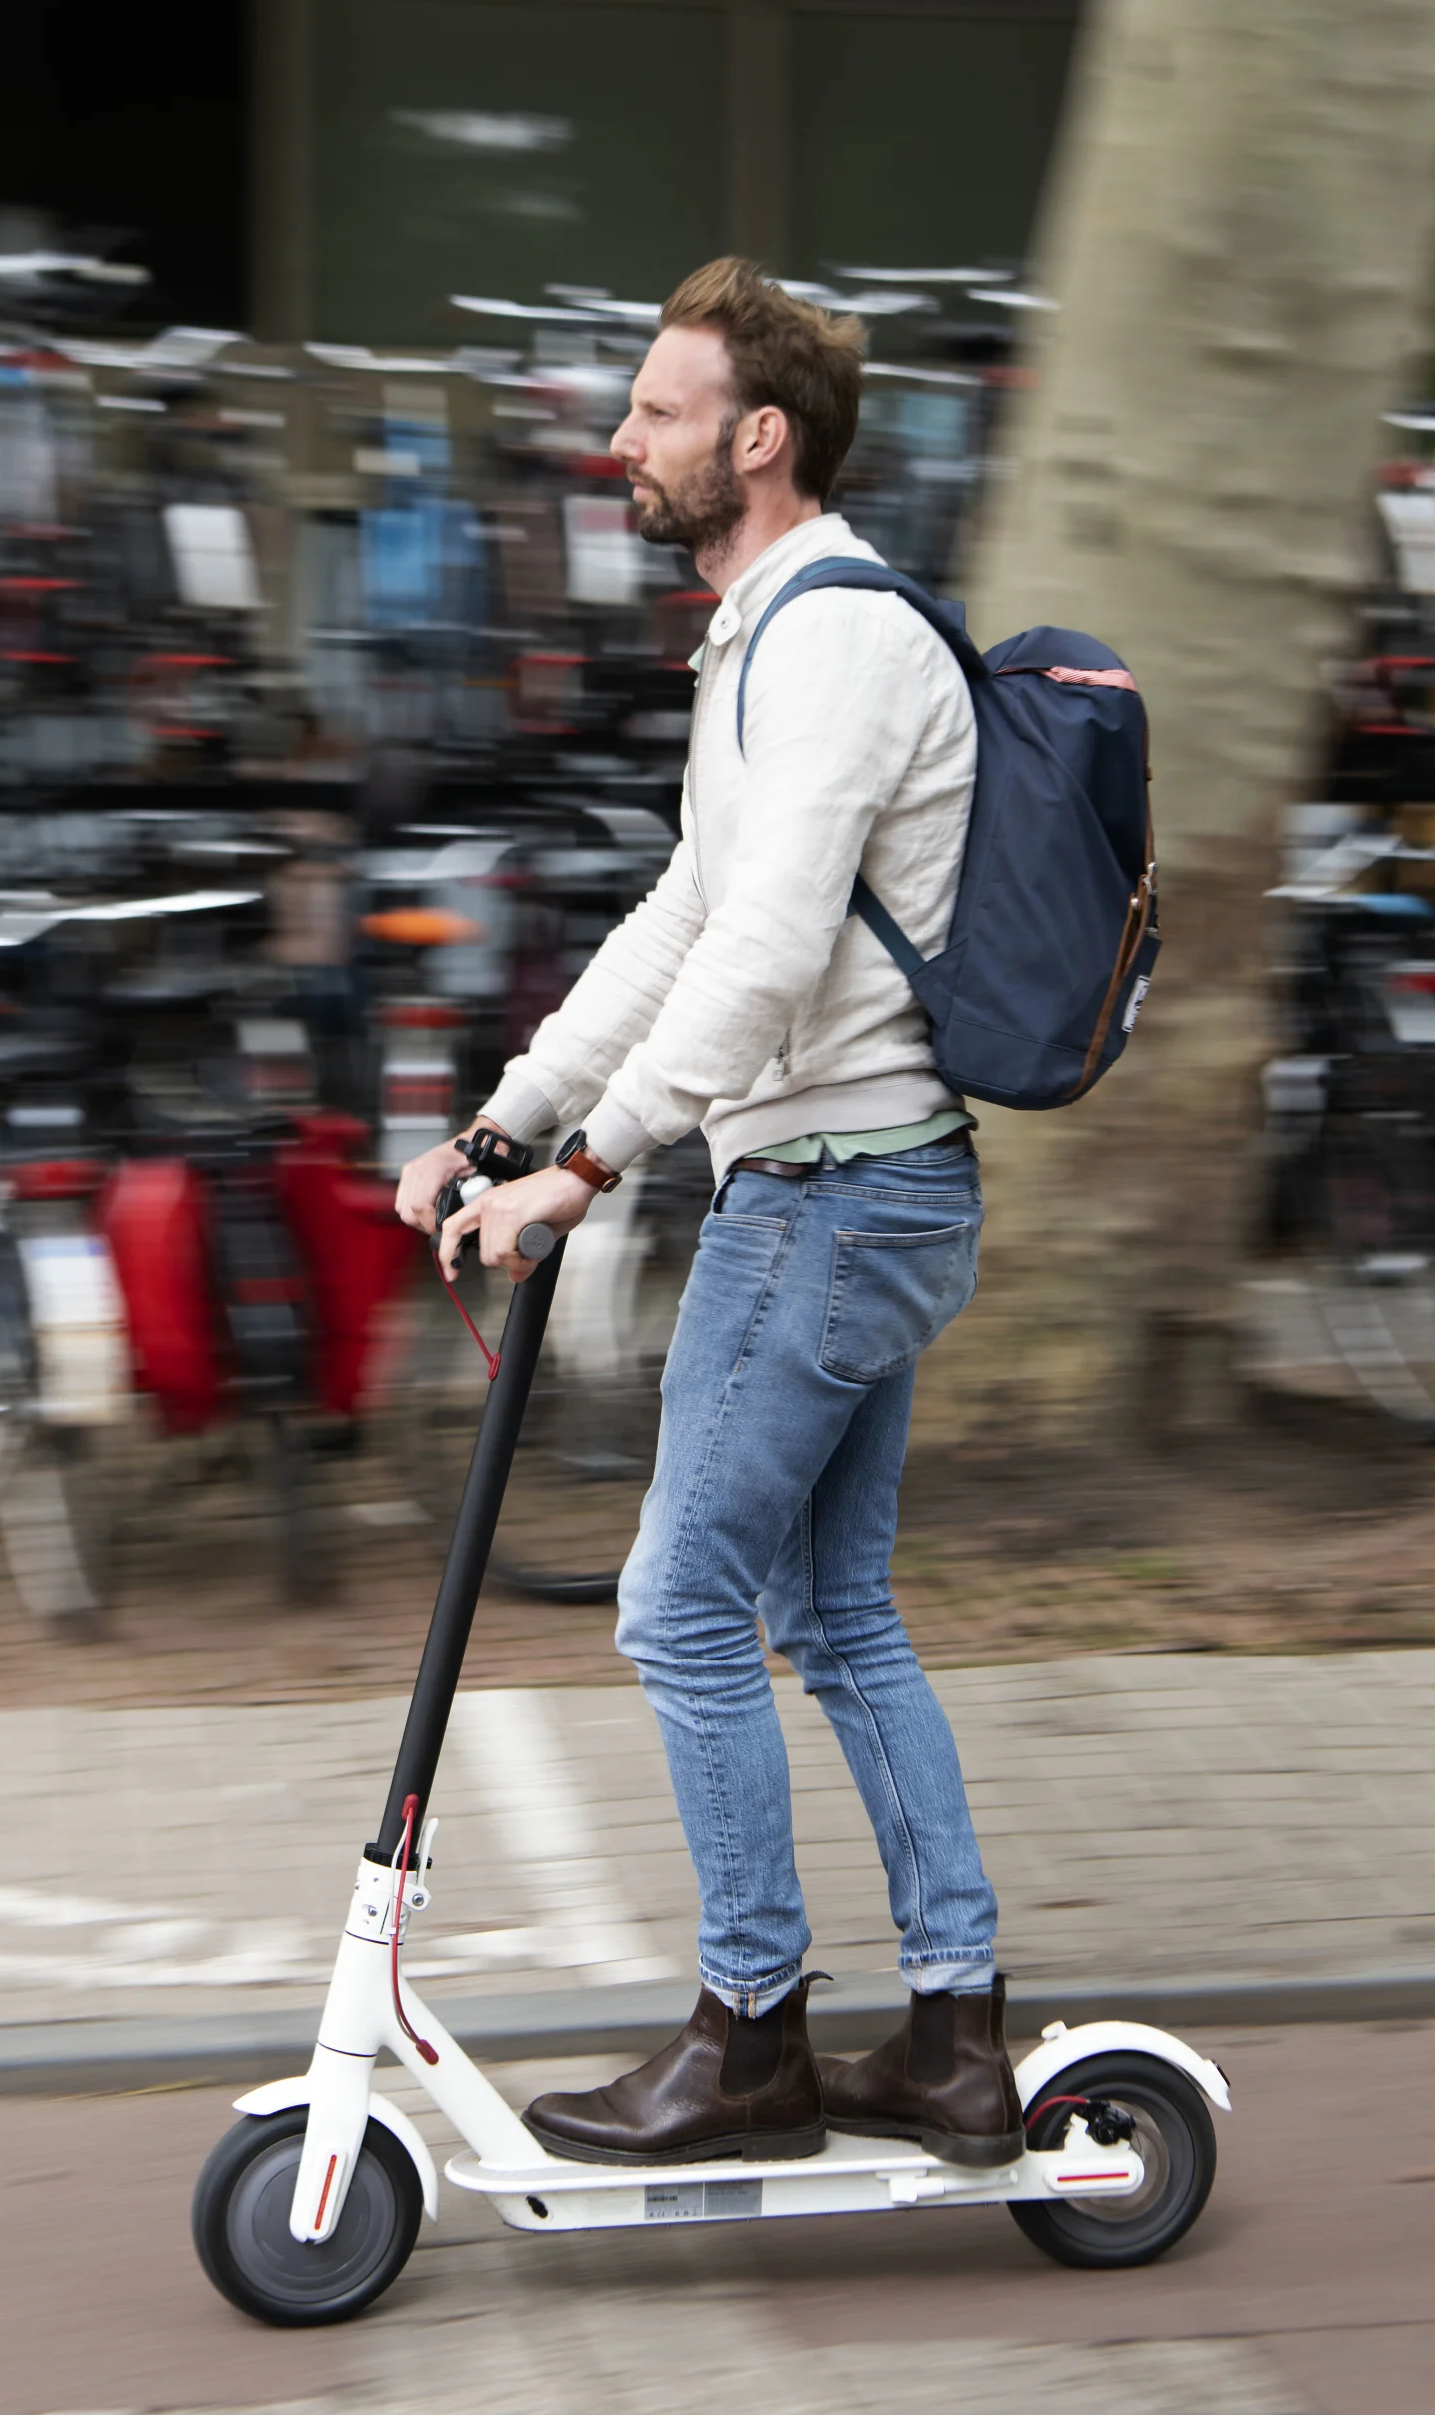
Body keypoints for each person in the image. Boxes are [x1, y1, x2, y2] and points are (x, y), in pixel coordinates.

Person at [394, 258, 1017, 2170]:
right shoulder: (766, 636)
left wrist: (598, 1163)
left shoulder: (832, 643)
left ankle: (752, 2033)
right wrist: (512, 1115)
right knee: (832, 1616)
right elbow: (686, 911)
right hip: (852, 1190)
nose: (619, 442)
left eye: (656, 412)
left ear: (759, 436)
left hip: (829, 1198)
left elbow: (768, 949)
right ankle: (956, 2029)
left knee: (677, 1615)